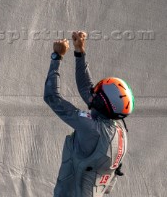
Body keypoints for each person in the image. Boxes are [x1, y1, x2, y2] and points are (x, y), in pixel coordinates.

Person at [44, 31, 135, 197]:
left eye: (97, 93)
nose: (93, 92)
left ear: (102, 103)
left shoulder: (91, 128)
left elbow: (52, 97)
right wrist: (79, 52)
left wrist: (56, 57)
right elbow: (86, 87)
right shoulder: (118, 129)